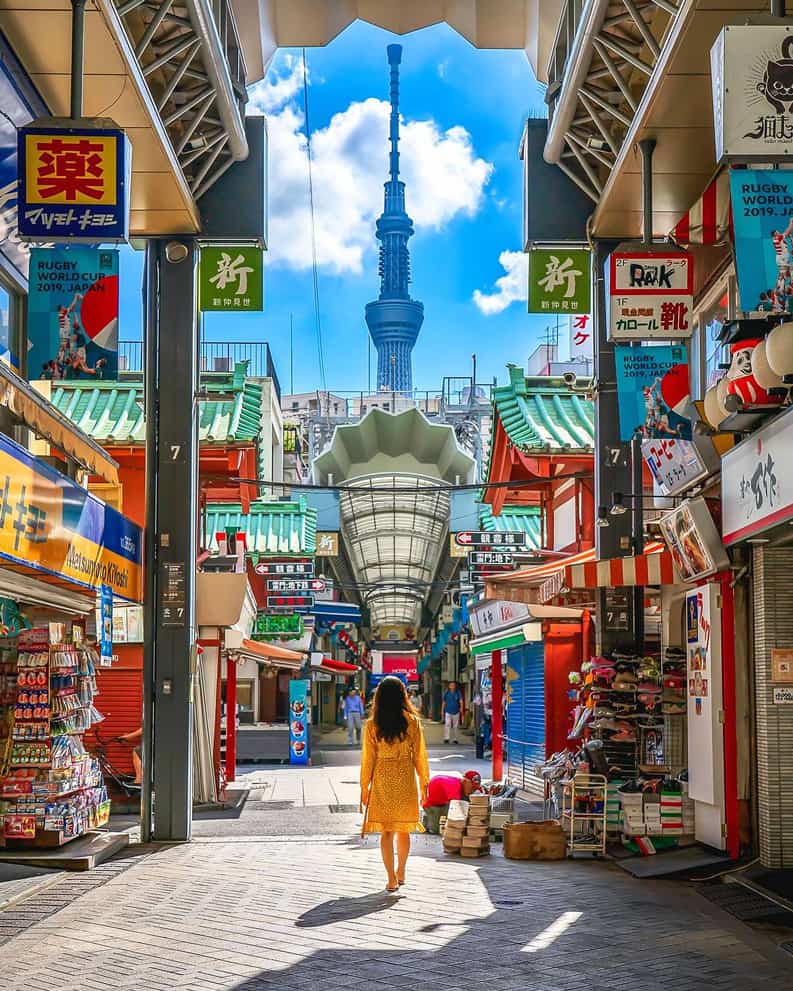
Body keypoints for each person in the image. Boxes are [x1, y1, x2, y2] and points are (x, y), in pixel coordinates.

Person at [360, 676, 429, 892]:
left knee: (387, 831)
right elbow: (420, 756)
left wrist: (364, 787)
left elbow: (368, 758)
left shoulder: (372, 725)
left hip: (382, 777)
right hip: (405, 777)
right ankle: (402, 870)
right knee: (403, 829)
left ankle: (391, 878)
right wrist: (424, 784)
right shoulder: (412, 722)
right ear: (403, 696)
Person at [422, 770, 482, 834]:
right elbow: (457, 810)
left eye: (475, 789)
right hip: (432, 805)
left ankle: (431, 818)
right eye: (472, 787)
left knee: (463, 801)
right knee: (439, 830)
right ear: (465, 781)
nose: (472, 791)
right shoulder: (454, 788)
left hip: (443, 801)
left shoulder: (461, 785)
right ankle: (427, 820)